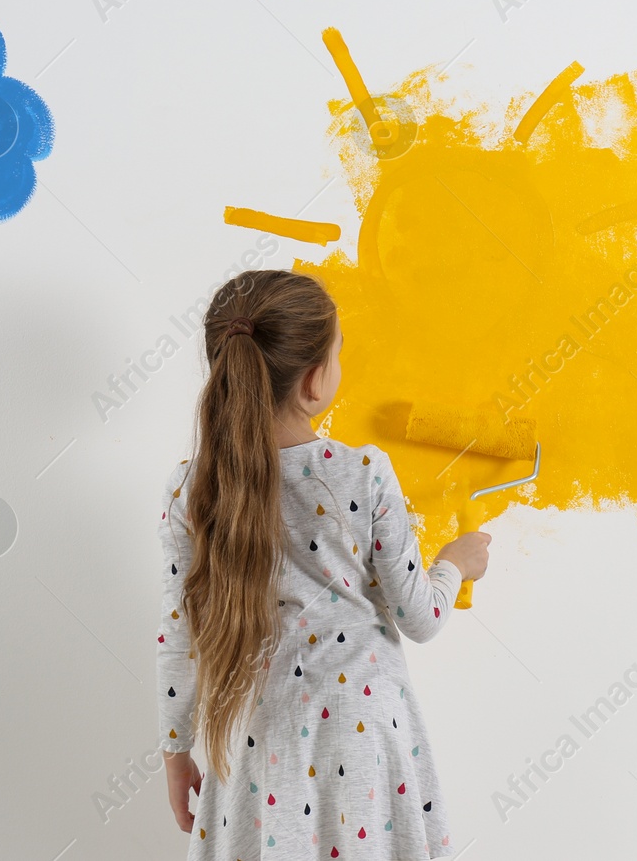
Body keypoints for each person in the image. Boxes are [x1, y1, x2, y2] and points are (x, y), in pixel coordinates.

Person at [156, 269, 490, 858]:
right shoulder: (363, 472)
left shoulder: (192, 488)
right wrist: (454, 564)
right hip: (361, 734)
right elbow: (420, 617)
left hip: (253, 736)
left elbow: (178, 634)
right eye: (337, 354)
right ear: (314, 382)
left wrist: (176, 752)